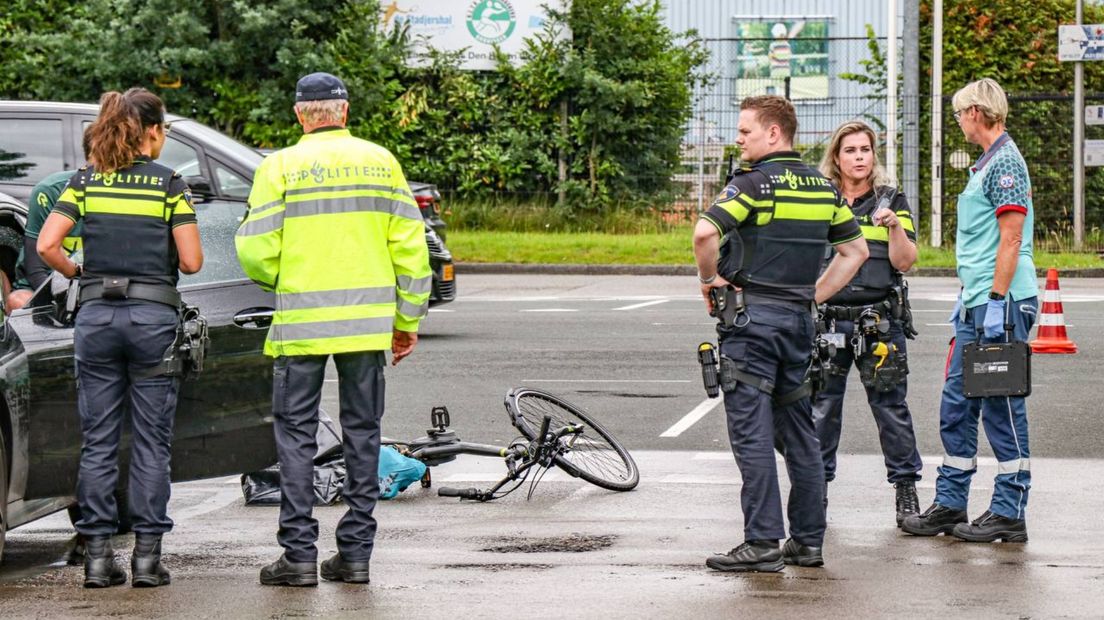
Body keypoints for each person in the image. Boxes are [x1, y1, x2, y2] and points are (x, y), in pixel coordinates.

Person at [236, 72, 431, 587]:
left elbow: (255, 251)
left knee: (296, 439)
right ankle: (356, 554)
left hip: (301, 328)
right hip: (367, 330)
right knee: (363, 436)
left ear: (301, 114)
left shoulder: (278, 167)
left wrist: (286, 278)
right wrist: (406, 321)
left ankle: (298, 556)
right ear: (344, 112)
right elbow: (412, 251)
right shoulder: (381, 163)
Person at [693, 95, 868, 573]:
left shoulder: (752, 185)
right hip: (798, 324)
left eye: (746, 130)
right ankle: (808, 542)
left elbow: (705, 234)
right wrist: (814, 296)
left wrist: (710, 280)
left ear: (774, 133)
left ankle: (762, 542)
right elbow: (853, 252)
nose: (739, 138)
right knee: (801, 435)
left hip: (752, 325)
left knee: (752, 434)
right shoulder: (821, 188)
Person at [38, 87, 203, 588]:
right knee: (152, 443)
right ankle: (148, 561)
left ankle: (98, 559)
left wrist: (78, 269)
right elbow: (193, 261)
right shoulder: (170, 184)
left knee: (98, 442)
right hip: (152, 319)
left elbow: (47, 244)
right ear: (151, 130)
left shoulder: (84, 182)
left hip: (96, 319)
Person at [902, 78, 1038, 543]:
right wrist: (972, 297)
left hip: (1000, 301)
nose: (958, 120)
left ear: (977, 113)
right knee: (957, 405)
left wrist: (998, 302)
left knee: (1000, 404)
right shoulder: (987, 165)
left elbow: (1011, 238)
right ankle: (951, 502)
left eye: (960, 112)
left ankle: (1009, 509)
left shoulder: (1005, 165)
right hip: (978, 301)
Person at [813, 121, 923, 527]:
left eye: (865, 149)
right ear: (837, 158)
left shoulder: (891, 198)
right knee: (821, 410)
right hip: (828, 320)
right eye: (851, 150)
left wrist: (894, 225)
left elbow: (905, 261)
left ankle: (906, 488)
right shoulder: (820, 198)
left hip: (879, 320)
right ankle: (815, 492)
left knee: (890, 407)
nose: (859, 157)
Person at [8, 135, 89, 310]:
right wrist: (64, 301)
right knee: (18, 300)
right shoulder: (49, 190)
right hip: (43, 285)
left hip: (93, 290)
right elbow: (36, 268)